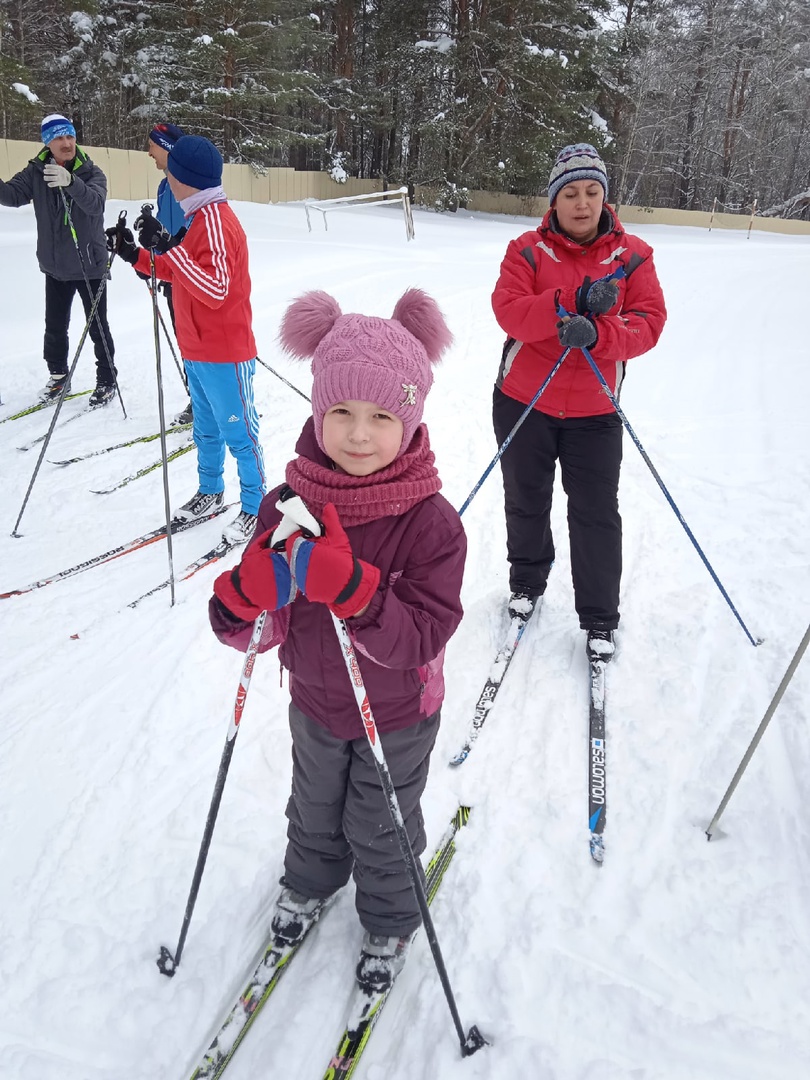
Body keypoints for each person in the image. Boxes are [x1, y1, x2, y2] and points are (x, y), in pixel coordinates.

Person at [208, 289, 465, 994]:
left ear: (410, 420)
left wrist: (355, 589)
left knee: (379, 820)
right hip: (318, 700)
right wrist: (243, 599)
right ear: (317, 412)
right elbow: (257, 621)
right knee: (314, 805)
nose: (358, 433)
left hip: (399, 710)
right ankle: (309, 881)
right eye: (341, 413)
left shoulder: (431, 522)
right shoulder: (289, 504)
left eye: (382, 416)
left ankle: (388, 916)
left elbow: (424, 635)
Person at [491, 143, 667, 662]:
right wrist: (565, 305)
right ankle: (526, 582)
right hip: (525, 401)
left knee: (594, 512)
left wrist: (598, 333)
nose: (582, 203)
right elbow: (511, 311)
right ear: (554, 200)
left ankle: (598, 616)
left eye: (592, 191)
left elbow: (648, 323)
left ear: (605, 197)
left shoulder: (633, 255)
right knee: (526, 498)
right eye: (571, 193)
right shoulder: (526, 250)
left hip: (595, 411)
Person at [108, 134, 264, 545]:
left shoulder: (215, 221)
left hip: (225, 354)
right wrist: (134, 254)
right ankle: (211, 492)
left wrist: (167, 248)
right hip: (197, 349)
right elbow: (178, 274)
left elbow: (214, 288)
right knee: (206, 432)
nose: (167, 181)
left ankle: (255, 505)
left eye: (172, 174)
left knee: (240, 434)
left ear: (186, 179)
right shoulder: (199, 218)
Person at [0, 113, 117, 406]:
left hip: (89, 265)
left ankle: (107, 378)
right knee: (54, 327)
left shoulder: (92, 172)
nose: (66, 143)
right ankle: (58, 378)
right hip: (54, 266)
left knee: (98, 326)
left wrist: (71, 182)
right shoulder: (35, 172)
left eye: (70, 137)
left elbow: (95, 204)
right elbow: (13, 196)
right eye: (58, 138)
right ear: (47, 143)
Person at [145, 121, 193, 425]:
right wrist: (151, 262)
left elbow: (196, 229)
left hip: (195, 279)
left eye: (152, 146)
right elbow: (165, 232)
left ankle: (222, 403)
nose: (148, 152)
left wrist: (171, 247)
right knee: (185, 342)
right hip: (173, 277)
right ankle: (198, 399)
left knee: (201, 343)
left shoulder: (189, 183)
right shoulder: (165, 186)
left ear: (167, 148)